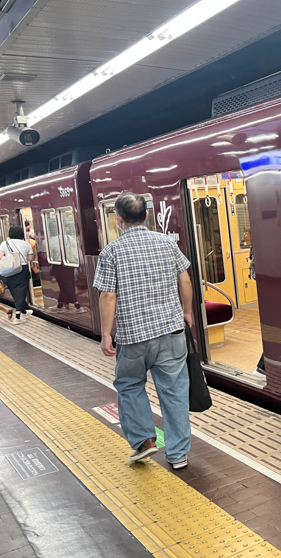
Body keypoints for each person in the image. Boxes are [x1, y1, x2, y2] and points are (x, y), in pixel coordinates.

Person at [93, 192, 194, 469]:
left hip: (133, 336)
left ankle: (144, 441)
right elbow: (184, 278)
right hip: (171, 332)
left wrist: (105, 334)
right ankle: (178, 454)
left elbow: (108, 296)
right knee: (174, 392)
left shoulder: (111, 252)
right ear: (147, 215)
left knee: (129, 385)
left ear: (118, 220)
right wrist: (187, 312)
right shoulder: (166, 243)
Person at [0, 226, 34, 324]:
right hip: (22, 269)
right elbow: (30, 259)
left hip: (9, 270)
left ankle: (23, 311)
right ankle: (18, 316)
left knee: (15, 291)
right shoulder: (26, 244)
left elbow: (0, 257)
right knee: (21, 290)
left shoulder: (4, 243)